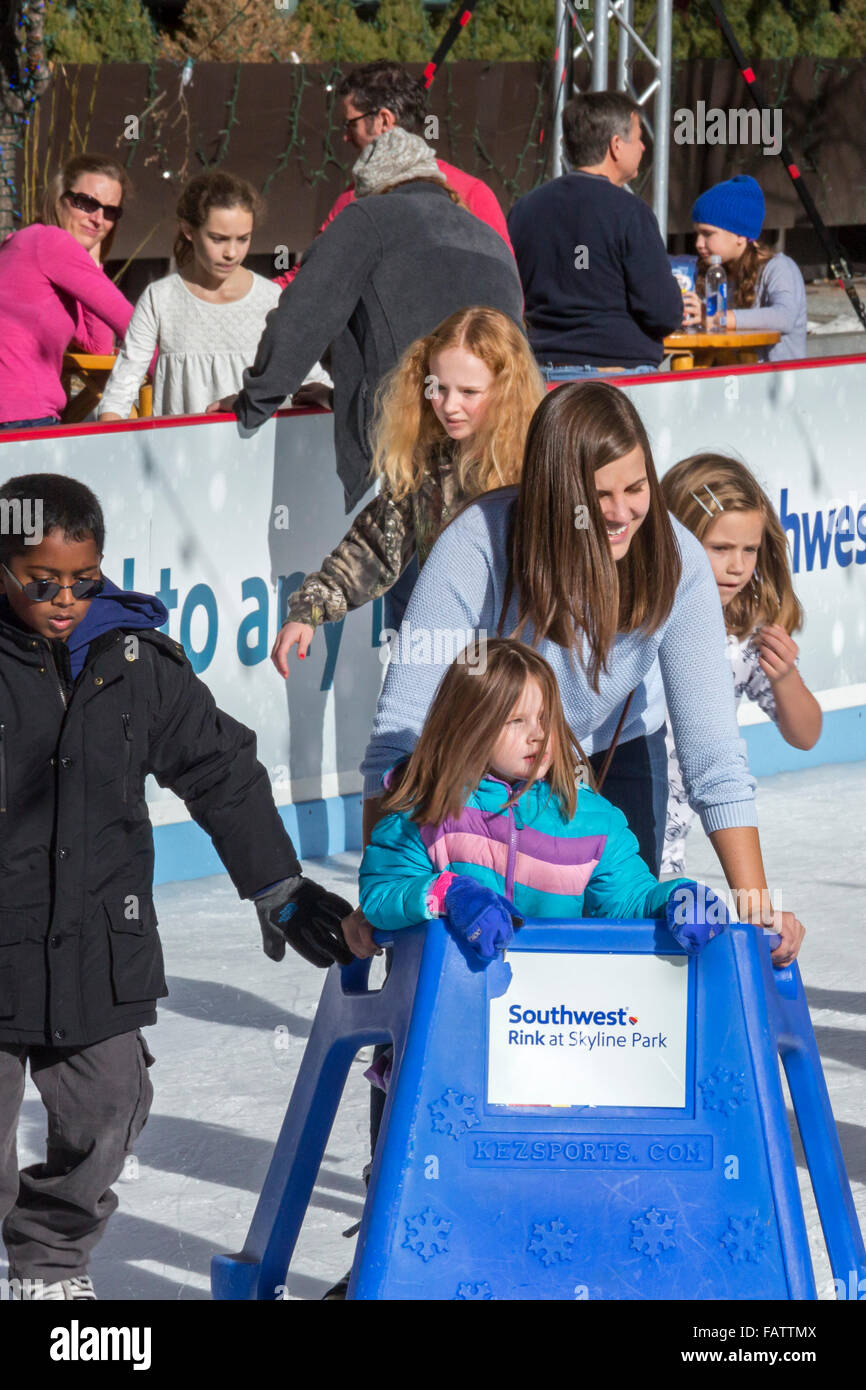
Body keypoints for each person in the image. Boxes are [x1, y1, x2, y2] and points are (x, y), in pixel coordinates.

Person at [0, 473, 353, 1301]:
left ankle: (50, 1262)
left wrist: (277, 885)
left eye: (82, 582)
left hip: (95, 937)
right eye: (39, 581)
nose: (63, 600)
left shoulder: (134, 661)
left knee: (109, 1110)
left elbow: (219, 768)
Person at [354, 381, 806, 968]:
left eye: (637, 487)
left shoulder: (679, 561)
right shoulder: (476, 545)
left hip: (617, 752)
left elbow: (714, 755)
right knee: (479, 942)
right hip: (488, 768)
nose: (623, 513)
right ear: (553, 495)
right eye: (600, 495)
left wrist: (754, 904)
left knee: (628, 941)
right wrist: (376, 898)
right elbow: (400, 732)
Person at [207, 128, 524, 514]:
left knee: (402, 569)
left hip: (404, 456)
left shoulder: (368, 219)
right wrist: (339, 398)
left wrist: (254, 401)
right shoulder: (487, 236)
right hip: (497, 453)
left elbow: (301, 318)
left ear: (372, 188)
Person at [360, 638, 730, 961]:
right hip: (455, 997)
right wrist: (450, 894)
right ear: (468, 727)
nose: (538, 735)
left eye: (545, 718)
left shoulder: (592, 822)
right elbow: (381, 895)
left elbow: (628, 901)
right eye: (515, 721)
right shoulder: (427, 811)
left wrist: (677, 900)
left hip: (557, 1012)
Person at [271, 307, 544, 673]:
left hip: (526, 659)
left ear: (506, 390)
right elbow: (375, 547)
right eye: (439, 388)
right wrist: (309, 610)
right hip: (453, 661)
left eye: (469, 392)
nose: (450, 406)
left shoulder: (541, 460)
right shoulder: (430, 462)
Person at [659, 453, 822, 875]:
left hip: (667, 858)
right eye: (720, 549)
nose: (738, 567)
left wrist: (784, 676)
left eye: (750, 550)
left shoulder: (744, 635)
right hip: (603, 833)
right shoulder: (639, 623)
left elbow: (806, 734)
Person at [98, 171, 331, 421]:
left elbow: (307, 374)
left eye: (243, 239)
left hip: (259, 452)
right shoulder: (161, 298)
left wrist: (330, 397)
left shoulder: (270, 298)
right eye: (218, 239)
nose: (231, 252)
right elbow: (122, 387)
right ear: (189, 230)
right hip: (182, 452)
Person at [274, 59, 512, 291]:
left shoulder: (356, 199)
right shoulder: (474, 192)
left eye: (350, 125)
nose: (346, 137)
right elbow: (509, 288)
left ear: (384, 120)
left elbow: (309, 281)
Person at [506, 93, 683, 380]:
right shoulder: (630, 213)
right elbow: (663, 312)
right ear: (616, 145)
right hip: (615, 378)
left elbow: (512, 293)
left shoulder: (524, 209)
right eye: (638, 137)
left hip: (538, 375)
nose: (643, 146)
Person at [0, 153, 134, 429]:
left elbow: (97, 347)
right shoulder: (51, 241)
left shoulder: (21, 243)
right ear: (60, 198)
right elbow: (133, 324)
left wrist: (92, 264)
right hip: (22, 416)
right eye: (86, 203)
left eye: (110, 212)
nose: (98, 219)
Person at [682, 175, 808, 361]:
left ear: (740, 235)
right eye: (697, 234)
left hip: (775, 382)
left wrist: (719, 319)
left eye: (708, 234)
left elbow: (784, 317)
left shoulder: (779, 268)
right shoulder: (710, 271)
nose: (699, 243)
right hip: (729, 380)